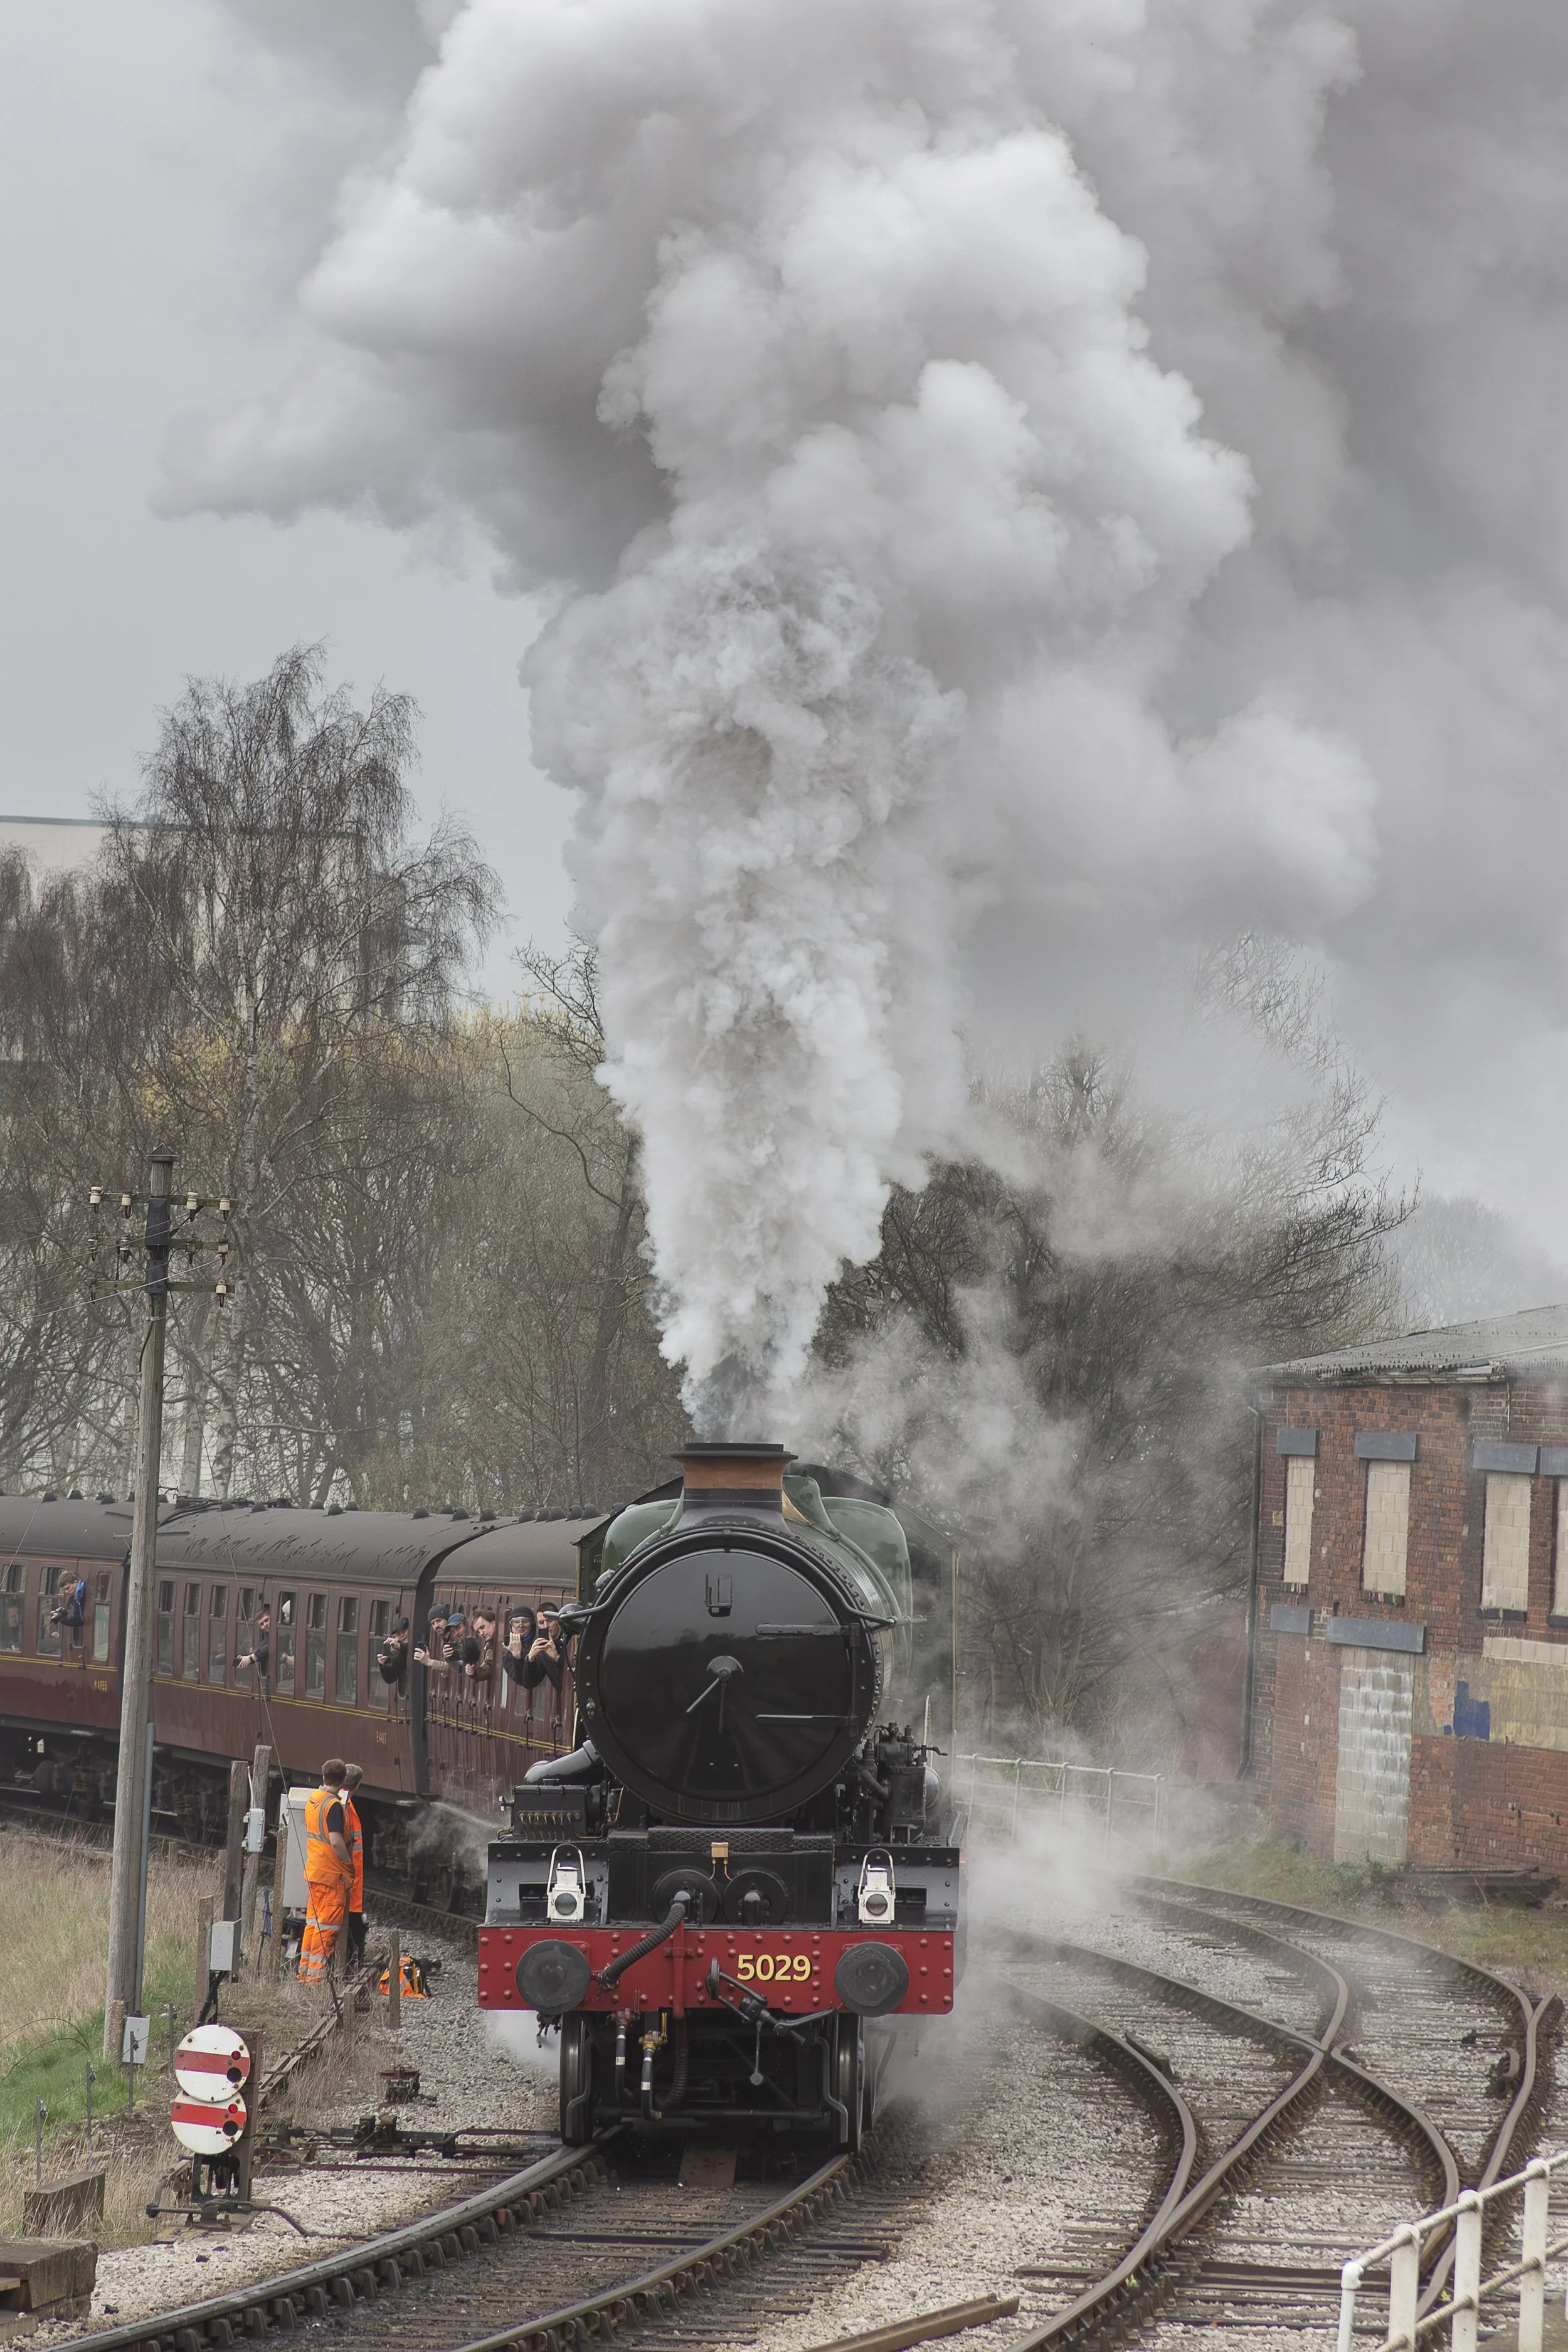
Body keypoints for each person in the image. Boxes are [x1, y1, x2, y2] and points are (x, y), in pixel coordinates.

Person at [298, 1759, 354, 1986]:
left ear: (324, 1777)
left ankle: (304, 1973)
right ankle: (315, 1978)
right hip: (332, 1875)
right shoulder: (333, 1806)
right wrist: (348, 1863)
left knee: (313, 1924)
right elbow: (336, 1841)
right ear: (343, 1781)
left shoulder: (314, 1799)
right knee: (327, 1928)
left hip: (315, 1871)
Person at [342, 1763, 367, 1963]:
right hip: (346, 1878)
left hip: (349, 1879)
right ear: (357, 1785)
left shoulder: (344, 1804)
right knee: (348, 1925)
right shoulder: (344, 1807)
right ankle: (350, 1962)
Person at [521, 1606, 566, 1693]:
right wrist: (530, 1659)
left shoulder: (568, 1640)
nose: (546, 1626)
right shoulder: (540, 1645)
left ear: (558, 1621)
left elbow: (568, 1679)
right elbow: (530, 1683)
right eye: (541, 1623)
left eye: (549, 1621)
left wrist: (556, 1658)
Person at [500, 1608, 538, 1687]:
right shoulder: (507, 1653)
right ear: (511, 1626)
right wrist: (517, 1656)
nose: (521, 1625)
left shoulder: (538, 1642)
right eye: (516, 1622)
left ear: (532, 1624)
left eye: (525, 1621)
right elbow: (520, 1680)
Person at [48, 1574, 87, 1645]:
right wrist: (62, 1617)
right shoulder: (76, 1596)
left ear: (75, 1582)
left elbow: (82, 1619)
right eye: (64, 1590)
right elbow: (79, 1619)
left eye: (68, 1588)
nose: (67, 1592)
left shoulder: (84, 1593)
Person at [236, 1606, 271, 1680]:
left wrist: (252, 1657)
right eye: (262, 1624)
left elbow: (271, 1646)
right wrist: (248, 1658)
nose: (265, 1625)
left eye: (267, 1620)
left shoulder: (281, 1633)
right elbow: (264, 1645)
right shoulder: (266, 1635)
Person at [376, 1616, 410, 1690]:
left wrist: (399, 1646)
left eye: (404, 1631)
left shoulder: (416, 1643)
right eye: (399, 1633)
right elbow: (390, 1679)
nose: (402, 1635)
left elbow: (413, 1650)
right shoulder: (398, 1653)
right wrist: (384, 1664)